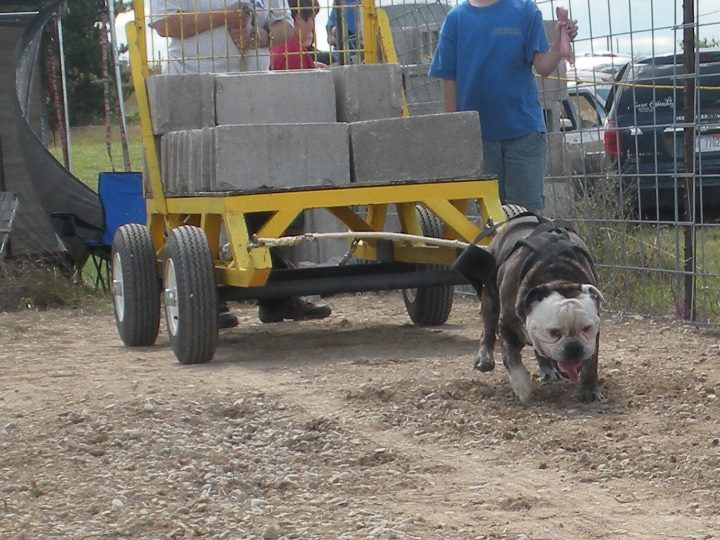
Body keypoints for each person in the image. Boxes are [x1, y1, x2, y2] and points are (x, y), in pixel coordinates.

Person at [149, 0, 332, 325]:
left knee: (262, 195)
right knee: (195, 197)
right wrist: (225, 17)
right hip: (191, 93)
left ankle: (275, 293)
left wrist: (259, 38)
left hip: (252, 95)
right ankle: (205, 296)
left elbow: (284, 26)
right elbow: (164, 26)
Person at [428, 0, 578, 214]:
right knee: (492, 222)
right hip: (480, 138)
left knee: (525, 220)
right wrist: (456, 134)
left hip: (524, 134)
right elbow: (449, 78)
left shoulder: (525, 10)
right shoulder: (456, 19)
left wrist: (558, 45)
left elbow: (543, 67)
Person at [149, 0, 294, 73]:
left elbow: (287, 26)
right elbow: (165, 25)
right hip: (191, 85)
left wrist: (262, 37)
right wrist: (224, 16)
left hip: (253, 89)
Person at [270, 0, 326, 70]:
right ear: (298, 19)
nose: (313, 26)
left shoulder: (274, 45)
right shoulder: (294, 52)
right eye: (312, 19)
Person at [326, 0, 359, 64]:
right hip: (341, 54)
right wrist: (335, 32)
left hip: (359, 53)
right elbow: (330, 39)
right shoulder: (340, 2)